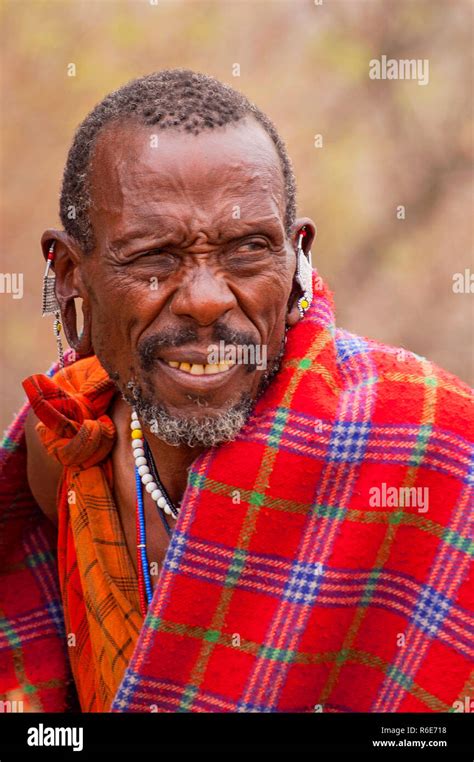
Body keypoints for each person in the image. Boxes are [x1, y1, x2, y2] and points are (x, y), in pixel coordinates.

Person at [0, 69, 472, 714]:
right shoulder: (65, 445)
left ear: (296, 254)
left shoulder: (426, 440)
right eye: (152, 256)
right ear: (69, 273)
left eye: (248, 249)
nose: (205, 300)